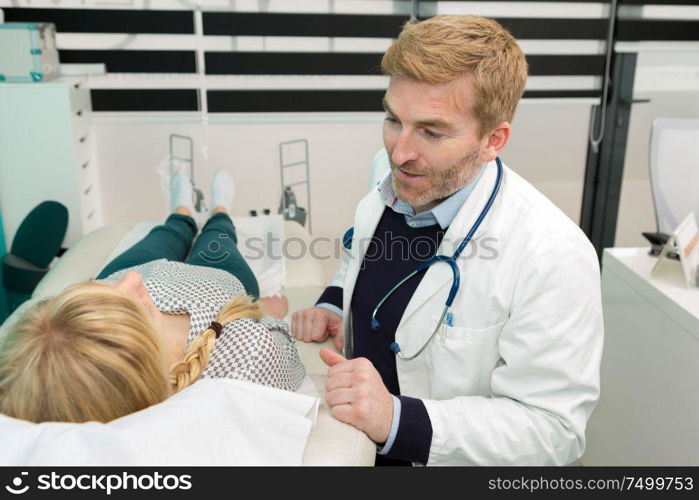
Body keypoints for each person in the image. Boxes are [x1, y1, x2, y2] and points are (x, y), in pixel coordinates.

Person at [291, 15, 603, 466]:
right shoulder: (397, 172)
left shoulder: (552, 254)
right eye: (393, 119)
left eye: (432, 132)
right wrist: (334, 304)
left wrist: (397, 419)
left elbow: (553, 430)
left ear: (493, 139)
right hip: (357, 444)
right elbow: (359, 257)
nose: (400, 151)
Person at [0, 168, 304, 423]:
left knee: (168, 233)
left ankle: (182, 211)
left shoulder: (50, 341)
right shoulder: (248, 356)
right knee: (218, 235)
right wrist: (266, 315)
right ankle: (219, 210)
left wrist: (114, 290)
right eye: (138, 308)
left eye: (94, 292)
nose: (131, 282)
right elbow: (284, 347)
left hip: (146, 267)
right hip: (220, 283)